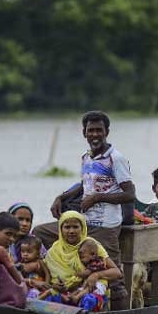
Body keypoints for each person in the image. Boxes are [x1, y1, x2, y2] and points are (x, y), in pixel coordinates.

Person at [33, 111, 135, 266]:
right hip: (83, 223)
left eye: (99, 130)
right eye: (91, 131)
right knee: (40, 233)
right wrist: (60, 197)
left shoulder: (116, 158)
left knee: (112, 274)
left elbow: (129, 194)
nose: (95, 135)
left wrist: (97, 198)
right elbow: (84, 185)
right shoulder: (86, 157)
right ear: (84, 133)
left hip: (105, 227)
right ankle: (58, 273)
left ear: (106, 132)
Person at [42, 211, 122, 307]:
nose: (71, 231)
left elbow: (116, 272)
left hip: (87, 291)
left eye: (75, 227)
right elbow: (48, 278)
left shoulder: (91, 245)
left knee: (89, 300)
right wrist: (55, 286)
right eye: (67, 227)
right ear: (61, 229)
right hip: (65, 293)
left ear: (82, 228)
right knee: (49, 298)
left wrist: (96, 275)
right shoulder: (53, 251)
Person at [0, 212, 27, 308]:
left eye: (15, 236)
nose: (12, 239)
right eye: (8, 234)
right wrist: (24, 285)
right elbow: (18, 279)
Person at [71, 239, 113, 312]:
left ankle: (77, 297)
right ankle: (71, 296)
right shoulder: (89, 262)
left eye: (82, 257)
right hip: (91, 284)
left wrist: (77, 274)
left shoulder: (97, 262)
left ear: (93, 254)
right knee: (80, 289)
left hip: (99, 284)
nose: (81, 260)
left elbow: (87, 272)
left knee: (88, 289)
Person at [17, 234, 50, 298]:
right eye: (23, 251)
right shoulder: (22, 262)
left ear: (38, 253)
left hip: (38, 287)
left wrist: (46, 284)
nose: (25, 254)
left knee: (34, 294)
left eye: (29, 252)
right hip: (27, 286)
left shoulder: (40, 261)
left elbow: (47, 273)